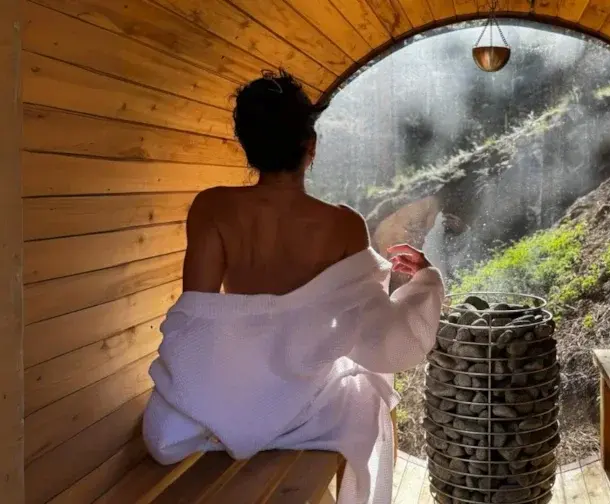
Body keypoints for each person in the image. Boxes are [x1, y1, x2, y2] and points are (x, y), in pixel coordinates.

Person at [141, 70, 444, 504]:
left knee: (168, 424)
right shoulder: (343, 225)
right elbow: (380, 335)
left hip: (233, 386)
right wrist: (425, 282)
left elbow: (199, 320)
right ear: (311, 147)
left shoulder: (211, 207)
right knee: (369, 394)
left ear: (248, 147)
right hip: (308, 402)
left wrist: (214, 392)